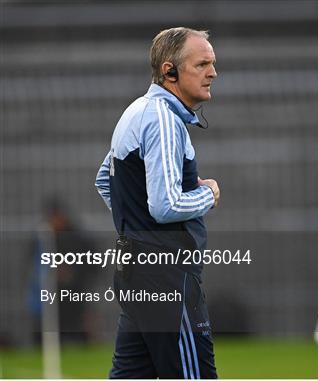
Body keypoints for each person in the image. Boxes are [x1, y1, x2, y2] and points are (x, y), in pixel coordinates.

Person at [95, 27, 220, 379]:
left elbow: (104, 179)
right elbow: (164, 207)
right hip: (166, 272)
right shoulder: (164, 119)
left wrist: (134, 228)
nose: (213, 72)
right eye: (202, 64)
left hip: (136, 268)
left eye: (213, 63)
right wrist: (208, 193)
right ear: (170, 71)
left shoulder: (137, 110)